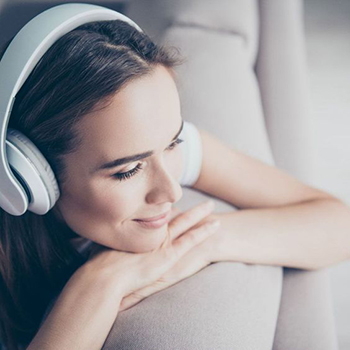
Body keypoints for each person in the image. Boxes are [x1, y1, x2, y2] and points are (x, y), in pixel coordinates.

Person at [0, 4, 349, 350]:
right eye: (127, 171)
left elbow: (339, 224)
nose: (171, 191)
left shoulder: (157, 145)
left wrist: (202, 242)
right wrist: (99, 282)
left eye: (173, 142)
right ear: (28, 176)